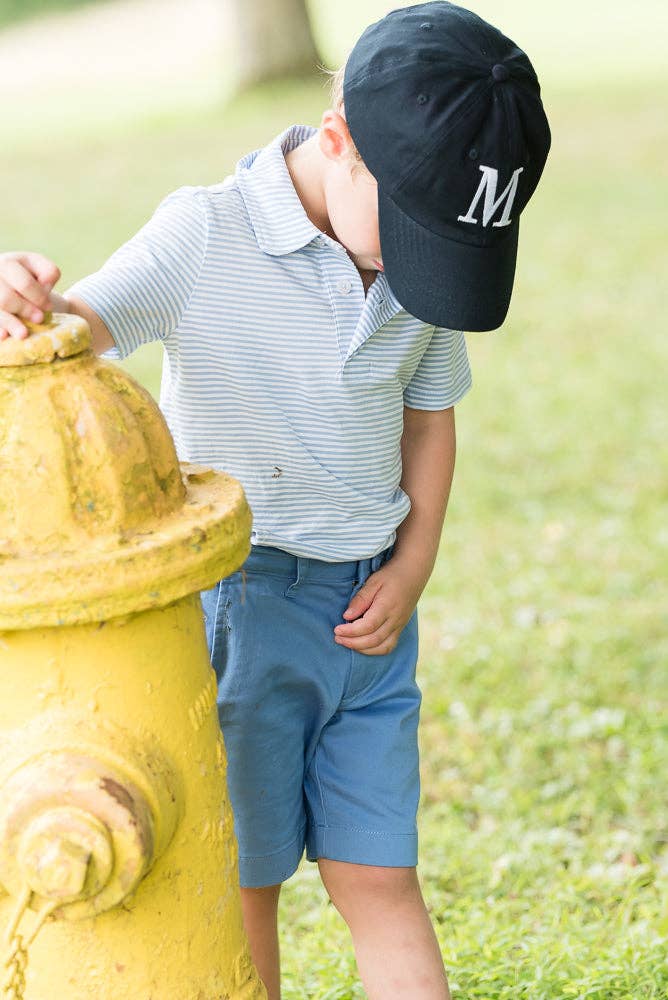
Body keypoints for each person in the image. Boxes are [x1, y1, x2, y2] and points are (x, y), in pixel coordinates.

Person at [0, 3, 550, 996]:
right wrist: (24, 300)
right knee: (240, 878)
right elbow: (79, 329)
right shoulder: (204, 233)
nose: (419, 270)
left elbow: (427, 421)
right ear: (335, 139)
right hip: (239, 614)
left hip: (370, 621)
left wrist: (413, 562)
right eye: (415, 235)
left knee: (380, 875)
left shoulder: (418, 276)